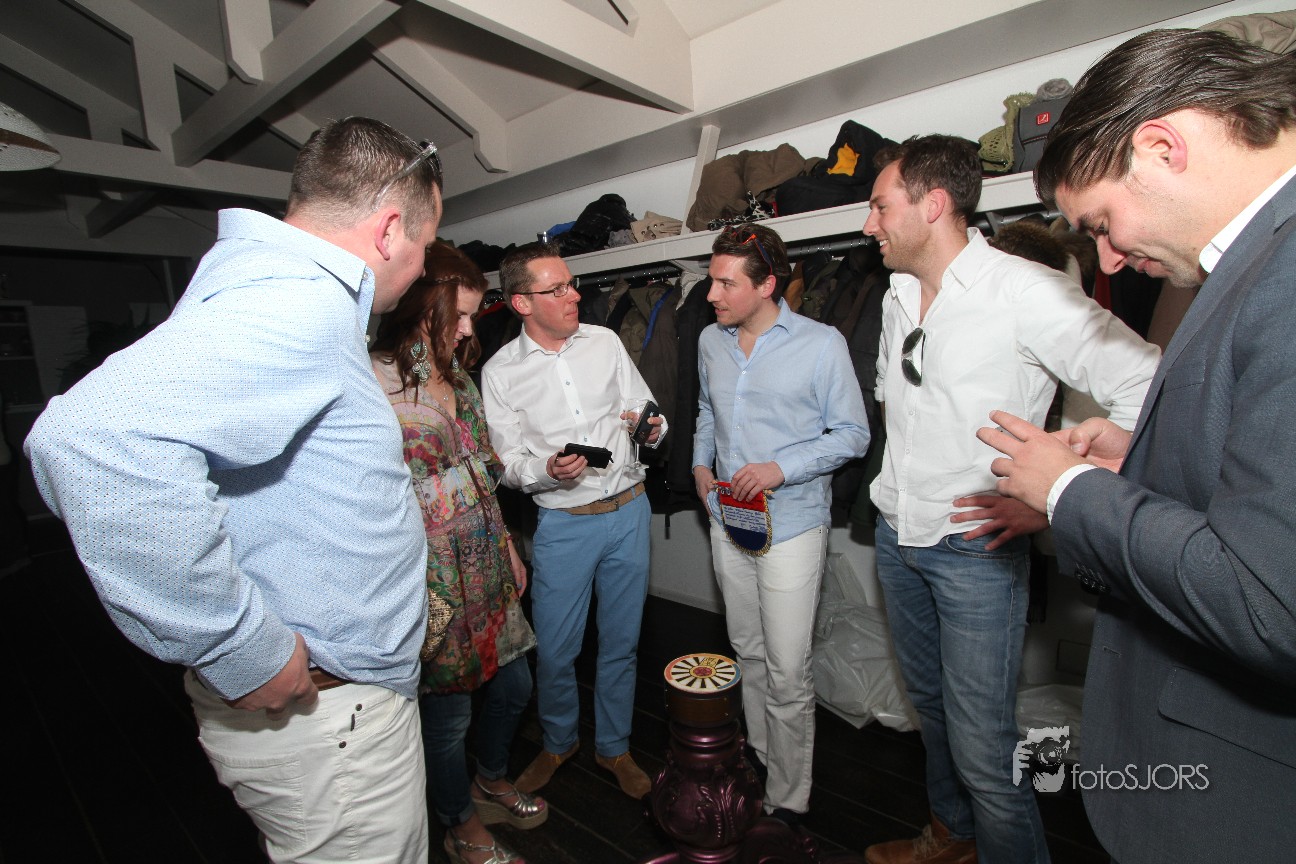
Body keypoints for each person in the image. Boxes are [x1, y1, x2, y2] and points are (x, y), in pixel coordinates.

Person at [24, 117, 442, 864]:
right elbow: (91, 438)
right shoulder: (296, 301)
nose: (420, 268)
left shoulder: (272, 287)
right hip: (329, 723)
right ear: (388, 230)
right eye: (425, 245)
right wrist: (241, 649)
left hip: (333, 718)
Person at [979, 28, 1296, 864]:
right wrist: (1143, 458)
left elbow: (1271, 604)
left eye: (1102, 224)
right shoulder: (1257, 260)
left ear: (1161, 147)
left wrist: (1069, 490)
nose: (1110, 258)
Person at [860, 134, 1159, 864]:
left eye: (880, 206)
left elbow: (1149, 382)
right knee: (933, 713)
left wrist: (1056, 493)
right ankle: (953, 836)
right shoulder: (897, 294)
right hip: (899, 534)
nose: (869, 225)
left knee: (985, 748)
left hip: (975, 547)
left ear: (933, 204)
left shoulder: (1024, 291)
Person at [371, 242, 546, 864]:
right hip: (428, 572)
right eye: (461, 314)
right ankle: (459, 821)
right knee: (447, 717)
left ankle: (490, 778)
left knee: (514, 684)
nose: (470, 329)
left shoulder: (459, 376)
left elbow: (480, 472)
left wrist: (508, 546)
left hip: (485, 555)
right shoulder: (371, 381)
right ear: (422, 307)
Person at [691, 223, 870, 824]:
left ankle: (789, 799)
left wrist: (780, 468)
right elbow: (707, 411)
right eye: (712, 280)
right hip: (727, 520)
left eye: (726, 283)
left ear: (767, 284)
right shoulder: (710, 341)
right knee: (747, 649)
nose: (711, 295)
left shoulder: (822, 345)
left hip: (791, 525)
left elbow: (853, 434)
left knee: (789, 669)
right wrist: (699, 464)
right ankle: (763, 758)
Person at [481, 241, 665, 800]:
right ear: (521, 303)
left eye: (571, 283)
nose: (573, 295)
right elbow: (507, 463)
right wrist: (546, 469)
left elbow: (644, 409)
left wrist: (651, 427)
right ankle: (559, 742)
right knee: (558, 649)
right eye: (556, 288)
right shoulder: (500, 372)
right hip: (564, 524)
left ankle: (614, 747)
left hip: (629, 511)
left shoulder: (605, 341)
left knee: (622, 643)